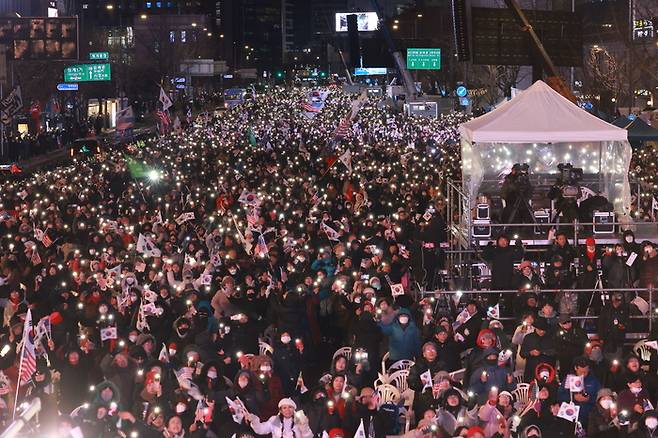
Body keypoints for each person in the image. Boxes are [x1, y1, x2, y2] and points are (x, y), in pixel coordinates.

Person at [247, 398, 313, 438]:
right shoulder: (275, 420)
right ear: (280, 410)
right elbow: (261, 430)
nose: (287, 410)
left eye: (290, 407)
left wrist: (304, 428)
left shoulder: (299, 420)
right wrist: (254, 420)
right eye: (284, 408)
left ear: (294, 409)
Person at [520, 317, 556, 382]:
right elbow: (522, 353)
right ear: (535, 328)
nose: (542, 331)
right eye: (540, 329)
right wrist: (530, 353)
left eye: (544, 330)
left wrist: (542, 352)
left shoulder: (551, 338)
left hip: (547, 369)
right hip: (531, 370)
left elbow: (555, 352)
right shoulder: (528, 338)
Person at [554, 313, 588, 380]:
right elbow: (556, 346)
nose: (567, 324)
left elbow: (584, 342)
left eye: (569, 321)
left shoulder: (578, 330)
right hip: (564, 359)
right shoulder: (556, 333)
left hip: (578, 357)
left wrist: (570, 339)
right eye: (564, 322)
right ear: (560, 324)